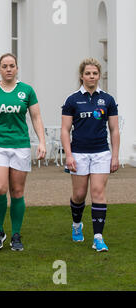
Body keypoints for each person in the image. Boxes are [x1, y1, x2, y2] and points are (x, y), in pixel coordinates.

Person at [0, 53, 46, 252]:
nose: (8, 69)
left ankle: (16, 234)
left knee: (17, 191)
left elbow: (36, 117)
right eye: (5, 66)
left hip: (20, 145)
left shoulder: (27, 91)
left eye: (12, 66)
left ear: (17, 68)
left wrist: (41, 142)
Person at [61, 58, 119, 252]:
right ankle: (77, 224)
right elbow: (65, 129)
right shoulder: (72, 100)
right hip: (78, 153)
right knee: (79, 195)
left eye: (94, 73)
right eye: (88, 73)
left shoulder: (108, 100)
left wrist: (115, 156)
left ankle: (98, 237)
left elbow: (114, 130)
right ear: (81, 76)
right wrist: (68, 156)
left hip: (101, 153)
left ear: (99, 76)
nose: (91, 76)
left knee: (98, 193)